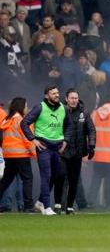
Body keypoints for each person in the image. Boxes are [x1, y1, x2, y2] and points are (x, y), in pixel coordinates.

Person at [21, 85, 72, 216]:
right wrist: (32, 139)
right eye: (53, 93)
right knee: (46, 175)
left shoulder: (64, 108)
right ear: (46, 95)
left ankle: (39, 202)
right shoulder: (40, 107)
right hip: (44, 146)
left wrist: (65, 140)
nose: (56, 95)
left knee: (56, 175)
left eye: (57, 92)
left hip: (58, 147)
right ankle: (47, 207)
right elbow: (24, 123)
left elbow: (70, 125)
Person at [54, 89, 95, 215]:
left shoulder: (84, 112)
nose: (74, 100)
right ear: (66, 99)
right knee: (61, 177)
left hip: (77, 151)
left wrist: (92, 146)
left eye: (76, 98)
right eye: (71, 98)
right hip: (62, 151)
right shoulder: (59, 111)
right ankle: (58, 204)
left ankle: (70, 207)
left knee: (74, 179)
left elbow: (91, 130)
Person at [0, 97, 35, 213]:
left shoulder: (7, 119)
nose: (27, 108)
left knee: (6, 180)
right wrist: (34, 153)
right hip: (21, 155)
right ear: (21, 107)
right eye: (25, 106)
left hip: (8, 155)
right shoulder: (21, 120)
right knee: (27, 179)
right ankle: (28, 206)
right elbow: (27, 139)